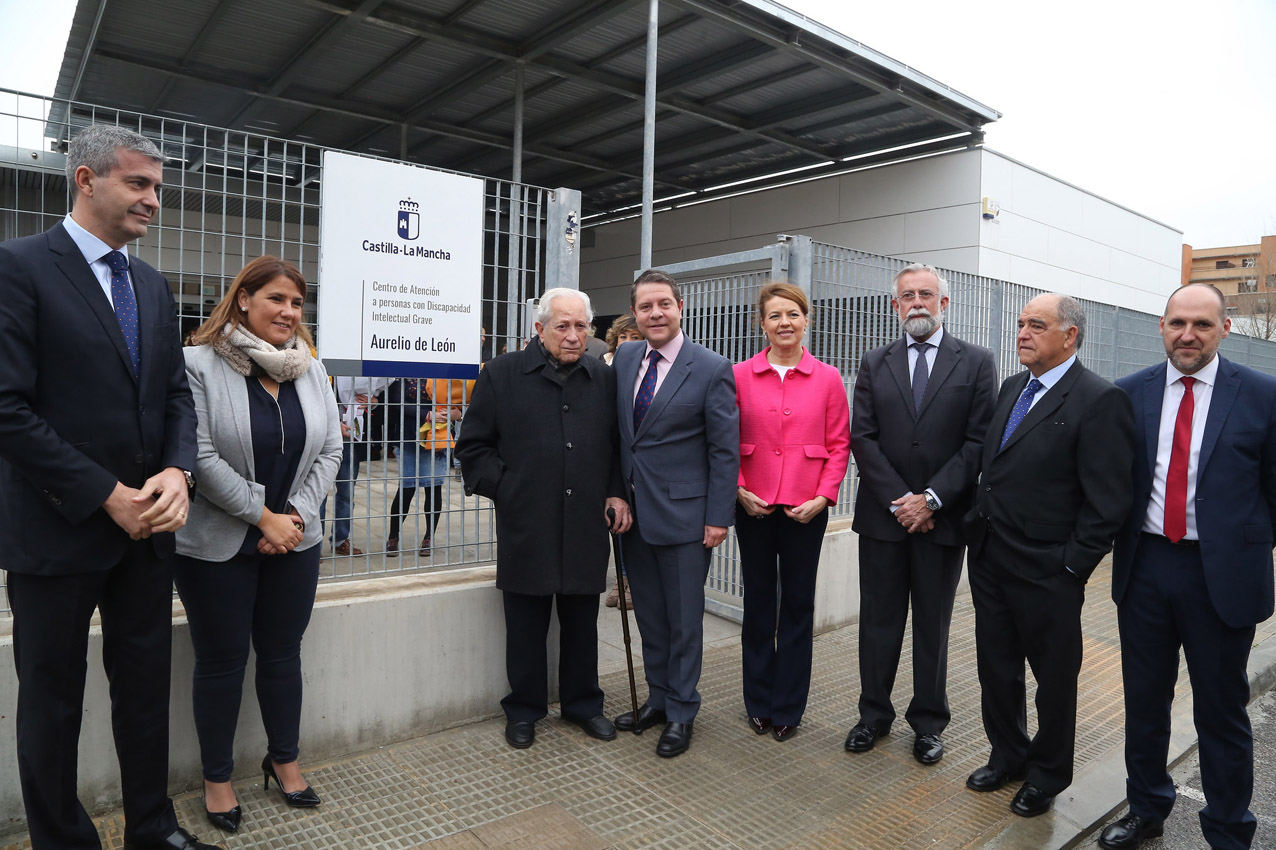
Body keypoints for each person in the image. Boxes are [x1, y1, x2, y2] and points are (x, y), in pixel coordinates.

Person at [0, 124, 216, 849]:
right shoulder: (19, 267)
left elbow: (176, 397)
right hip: (57, 529)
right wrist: (105, 493)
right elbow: (7, 407)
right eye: (139, 183)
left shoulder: (150, 284)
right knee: (53, 701)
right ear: (86, 180)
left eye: (158, 186)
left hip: (149, 531)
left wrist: (177, 471)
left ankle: (151, 828)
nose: (155, 200)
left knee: (144, 687)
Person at [1098, 284, 1276, 850]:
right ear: (1162, 326)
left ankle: (1228, 831)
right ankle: (1146, 809)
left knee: (1221, 712)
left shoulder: (1263, 395)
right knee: (1145, 703)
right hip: (1145, 568)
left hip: (1218, 578)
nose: (1188, 335)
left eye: (1202, 324)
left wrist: (1245, 548)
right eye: (1178, 323)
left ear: (1225, 328)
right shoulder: (1129, 394)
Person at [174, 256, 342, 833]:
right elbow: (196, 454)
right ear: (243, 300)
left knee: (281, 655)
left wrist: (293, 516)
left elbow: (331, 451)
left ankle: (284, 759)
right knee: (221, 663)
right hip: (218, 543)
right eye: (276, 299)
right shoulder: (197, 363)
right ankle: (217, 778)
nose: (289, 312)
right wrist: (261, 516)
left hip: (295, 540)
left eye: (296, 303)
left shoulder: (310, 370)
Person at [962, 293, 1134, 818]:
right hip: (990, 559)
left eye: (1037, 325)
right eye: (1020, 324)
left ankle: (1047, 774)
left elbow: (1108, 501)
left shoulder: (1098, 399)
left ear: (1070, 335)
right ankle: (1008, 754)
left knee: (1053, 680)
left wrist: (1071, 565)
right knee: (997, 669)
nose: (1022, 334)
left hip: (1048, 571)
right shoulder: (1013, 388)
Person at [456, 288, 632, 749]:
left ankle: (583, 704)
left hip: (584, 521)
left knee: (581, 621)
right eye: (562, 326)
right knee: (526, 624)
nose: (573, 337)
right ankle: (525, 709)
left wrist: (615, 492)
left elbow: (616, 446)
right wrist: (510, 489)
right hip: (526, 523)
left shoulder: (602, 378)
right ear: (539, 329)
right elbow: (473, 449)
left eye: (581, 327)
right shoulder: (501, 375)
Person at [845, 264, 996, 765]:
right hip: (884, 519)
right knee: (879, 622)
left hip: (944, 519)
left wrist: (930, 499)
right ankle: (873, 716)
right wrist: (901, 502)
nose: (916, 303)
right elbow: (861, 438)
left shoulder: (976, 362)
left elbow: (979, 442)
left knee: (933, 624)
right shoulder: (874, 361)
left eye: (926, 295)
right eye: (907, 296)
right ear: (895, 306)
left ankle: (929, 723)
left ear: (944, 304)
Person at [612, 269, 740, 758]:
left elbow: (724, 450)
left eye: (663, 304)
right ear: (636, 313)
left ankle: (683, 711)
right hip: (634, 517)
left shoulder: (710, 367)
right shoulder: (625, 357)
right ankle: (659, 699)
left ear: (680, 307)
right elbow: (618, 436)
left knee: (684, 620)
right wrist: (615, 493)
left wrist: (718, 517)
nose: (655, 314)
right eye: (646, 307)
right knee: (650, 616)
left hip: (687, 519)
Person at [733, 282, 850, 742]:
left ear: (807, 321)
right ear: (762, 324)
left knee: (798, 605)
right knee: (759, 603)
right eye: (775, 315)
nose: (785, 323)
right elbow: (724, 442)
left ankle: (788, 707)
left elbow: (840, 444)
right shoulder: (740, 375)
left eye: (793, 314)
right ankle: (758, 701)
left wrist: (824, 496)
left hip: (807, 508)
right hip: (753, 506)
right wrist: (738, 489)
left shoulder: (828, 378)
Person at [603, 313, 645, 608]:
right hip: (618, 459)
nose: (628, 343)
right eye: (623, 337)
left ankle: (632, 581)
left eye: (635, 337)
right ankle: (621, 579)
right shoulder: (605, 367)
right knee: (620, 522)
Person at [331, 376, 389, 555]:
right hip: (323, 433)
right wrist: (332, 423)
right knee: (317, 493)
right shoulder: (320, 360)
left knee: (347, 490)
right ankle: (311, 543)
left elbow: (393, 405)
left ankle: (341, 539)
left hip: (351, 434)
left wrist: (375, 401)